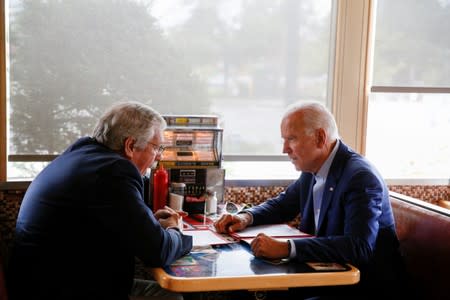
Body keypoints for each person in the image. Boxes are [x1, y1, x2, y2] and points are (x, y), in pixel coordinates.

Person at [214, 101, 406, 299]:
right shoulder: (313, 169)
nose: (284, 149)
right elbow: (283, 205)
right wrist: (246, 217)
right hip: (322, 282)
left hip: (361, 290)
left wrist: (287, 248)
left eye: (292, 139)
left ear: (320, 138)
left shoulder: (360, 177)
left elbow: (359, 247)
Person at [7, 102, 192, 300]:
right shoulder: (114, 171)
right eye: (156, 148)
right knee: (170, 297)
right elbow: (159, 251)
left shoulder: (81, 154)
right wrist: (174, 229)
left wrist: (147, 224)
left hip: (39, 284)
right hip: (65, 291)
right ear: (130, 146)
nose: (158, 157)